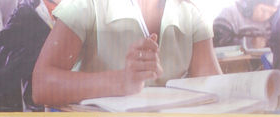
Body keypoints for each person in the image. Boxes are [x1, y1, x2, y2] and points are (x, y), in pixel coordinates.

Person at [31, 0, 221, 108]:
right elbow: (41, 86)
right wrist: (120, 81)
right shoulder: (85, 5)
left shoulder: (191, 12)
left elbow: (214, 89)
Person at [213, 0, 280, 50]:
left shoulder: (272, 22)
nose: (265, 16)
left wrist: (265, 44)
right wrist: (249, 44)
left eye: (270, 13)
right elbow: (217, 43)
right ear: (252, 4)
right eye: (263, 10)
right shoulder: (230, 14)